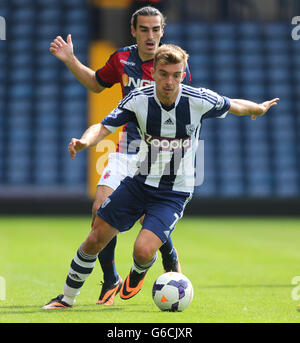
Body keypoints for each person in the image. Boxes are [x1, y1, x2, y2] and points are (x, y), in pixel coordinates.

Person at [43, 43, 279, 309]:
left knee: (142, 251)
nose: (170, 81)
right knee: (96, 236)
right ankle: (66, 299)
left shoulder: (198, 99)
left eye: (176, 75)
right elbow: (103, 126)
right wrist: (85, 143)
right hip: (139, 183)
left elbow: (235, 105)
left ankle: (140, 268)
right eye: (164, 74)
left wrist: (258, 109)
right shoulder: (138, 100)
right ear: (153, 72)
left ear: (183, 74)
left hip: (173, 192)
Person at [49, 6, 191, 306]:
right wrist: (71, 60)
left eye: (156, 29)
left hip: (160, 155)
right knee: (100, 212)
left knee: (146, 214)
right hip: (127, 147)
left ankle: (165, 253)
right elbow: (96, 84)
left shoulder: (173, 66)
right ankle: (111, 279)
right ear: (134, 31)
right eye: (144, 29)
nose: (150, 36)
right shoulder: (122, 59)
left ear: (162, 31)